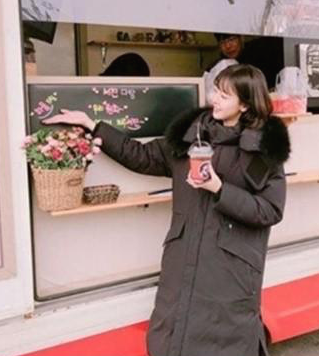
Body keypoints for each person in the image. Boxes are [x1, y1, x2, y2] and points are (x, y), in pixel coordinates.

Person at [43, 64, 290, 356]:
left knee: (226, 343)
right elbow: (141, 156)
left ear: (245, 104)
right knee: (173, 335)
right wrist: (93, 125)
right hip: (182, 259)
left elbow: (269, 210)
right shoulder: (190, 137)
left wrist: (219, 189)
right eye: (215, 91)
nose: (214, 99)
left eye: (225, 95)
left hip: (230, 270)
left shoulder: (262, 150)